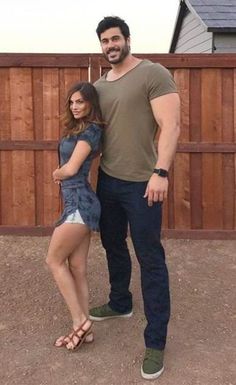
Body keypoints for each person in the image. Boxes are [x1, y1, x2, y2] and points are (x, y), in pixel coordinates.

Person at [89, 16, 180, 380]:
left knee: (150, 257)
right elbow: (90, 134)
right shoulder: (98, 85)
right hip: (108, 181)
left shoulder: (153, 74)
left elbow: (171, 125)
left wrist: (161, 172)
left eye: (115, 39)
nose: (110, 45)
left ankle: (155, 342)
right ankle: (120, 302)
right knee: (112, 244)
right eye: (104, 41)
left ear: (127, 39)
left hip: (143, 184)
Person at [46, 81, 104, 351]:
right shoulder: (79, 129)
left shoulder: (91, 131)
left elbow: (71, 169)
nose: (75, 106)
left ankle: (81, 322)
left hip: (79, 203)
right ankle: (84, 330)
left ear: (91, 102)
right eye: (72, 102)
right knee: (77, 267)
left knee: (54, 260)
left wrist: (56, 174)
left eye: (80, 101)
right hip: (79, 200)